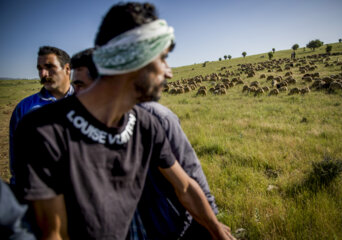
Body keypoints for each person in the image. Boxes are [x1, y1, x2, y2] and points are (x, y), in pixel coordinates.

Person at [14, 2, 235, 240]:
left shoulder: (146, 124)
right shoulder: (45, 130)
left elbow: (185, 188)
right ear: (134, 60)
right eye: (162, 58)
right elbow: (54, 233)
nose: (169, 72)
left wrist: (216, 230)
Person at [70, 48, 223, 239]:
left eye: (81, 85)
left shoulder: (153, 120)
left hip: (166, 228)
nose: (75, 93)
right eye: (74, 85)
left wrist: (213, 226)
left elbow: (188, 181)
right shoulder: (75, 130)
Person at [9, 46, 74, 185]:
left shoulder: (87, 103)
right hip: (40, 192)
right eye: (40, 68)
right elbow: (17, 158)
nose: (44, 74)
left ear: (67, 69)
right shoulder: (25, 108)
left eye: (50, 67)